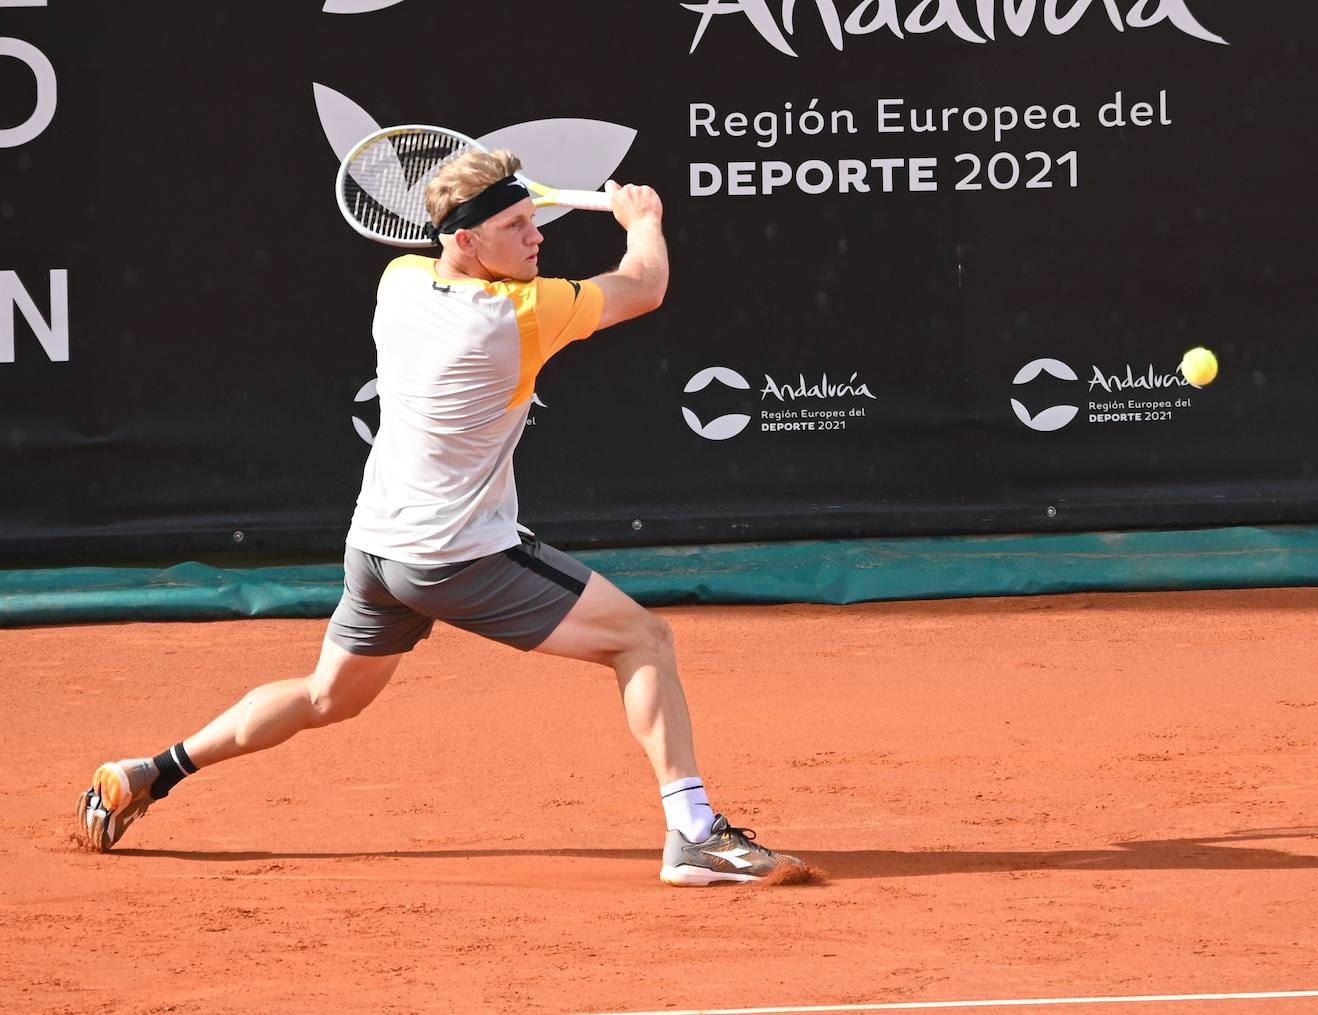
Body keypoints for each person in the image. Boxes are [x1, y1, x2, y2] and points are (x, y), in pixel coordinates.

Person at [76, 148, 803, 886]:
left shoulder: (399, 281)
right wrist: (642, 220)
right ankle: (693, 834)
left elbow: (476, 264)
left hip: (377, 549)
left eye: (535, 220)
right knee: (644, 640)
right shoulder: (517, 315)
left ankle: (152, 770)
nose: (537, 237)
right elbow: (645, 286)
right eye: (517, 225)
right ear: (465, 240)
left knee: (328, 696)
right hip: (458, 556)